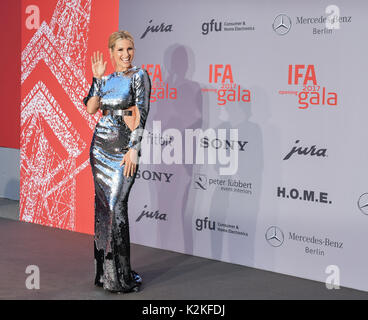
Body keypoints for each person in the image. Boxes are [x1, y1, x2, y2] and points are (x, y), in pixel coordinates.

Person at [83, 30, 151, 293]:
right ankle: (105, 273)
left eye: (129, 49)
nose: (126, 55)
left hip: (124, 148)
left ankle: (120, 275)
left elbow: (142, 113)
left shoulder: (139, 75)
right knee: (103, 210)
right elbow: (91, 108)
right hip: (100, 147)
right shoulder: (106, 79)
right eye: (120, 50)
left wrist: (134, 147)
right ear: (111, 53)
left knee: (115, 207)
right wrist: (97, 79)